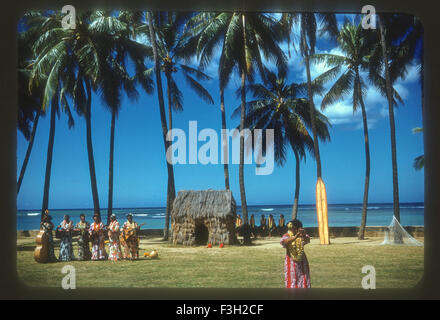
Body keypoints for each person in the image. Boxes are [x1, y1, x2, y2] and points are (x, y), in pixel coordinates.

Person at [280, 219, 311, 288]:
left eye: (293, 228)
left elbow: (307, 240)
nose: (292, 229)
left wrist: (303, 234)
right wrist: (295, 236)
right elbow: (285, 242)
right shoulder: (287, 235)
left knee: (304, 278)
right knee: (292, 280)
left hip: (302, 261)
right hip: (291, 261)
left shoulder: (303, 235)